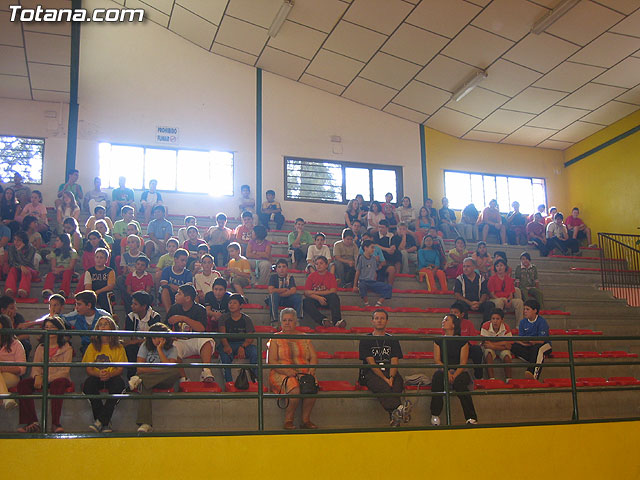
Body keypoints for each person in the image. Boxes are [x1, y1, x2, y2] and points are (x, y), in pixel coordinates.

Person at [16, 316, 73, 433]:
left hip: (59, 378)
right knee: (23, 384)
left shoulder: (67, 348)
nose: (49, 329)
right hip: (41, 377)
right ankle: (32, 422)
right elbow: (36, 366)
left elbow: (65, 371)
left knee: (58, 384)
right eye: (47, 327)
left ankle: (55, 423)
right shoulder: (40, 347)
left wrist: (45, 378)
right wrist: (37, 377)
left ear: (58, 329)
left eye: (52, 327)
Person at [358, 309, 411, 427]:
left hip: (389, 370)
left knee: (397, 384)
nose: (379, 321)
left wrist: (391, 377)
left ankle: (394, 417)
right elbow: (371, 363)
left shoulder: (392, 339)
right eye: (376, 318)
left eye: (382, 318)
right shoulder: (365, 339)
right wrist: (385, 379)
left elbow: (394, 361)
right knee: (383, 385)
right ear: (372, 321)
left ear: (387, 321)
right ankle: (400, 409)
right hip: (371, 372)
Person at [267, 308, 318, 429]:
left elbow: (313, 357)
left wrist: (311, 370)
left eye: (290, 320)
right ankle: (288, 420)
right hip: (281, 372)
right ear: (281, 322)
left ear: (296, 322)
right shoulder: (275, 338)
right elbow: (271, 361)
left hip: (304, 371)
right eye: (284, 320)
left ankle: (306, 420)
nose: (287, 323)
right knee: (294, 388)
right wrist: (286, 371)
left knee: (312, 386)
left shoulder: (304, 337)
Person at [130, 322, 180, 433]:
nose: (155, 340)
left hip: (163, 380)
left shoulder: (172, 349)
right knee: (145, 384)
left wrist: (159, 349)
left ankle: (138, 380)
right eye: (153, 337)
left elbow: (169, 368)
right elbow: (140, 368)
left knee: (175, 372)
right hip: (147, 377)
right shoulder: (145, 346)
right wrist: (160, 371)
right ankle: (145, 423)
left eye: (158, 337)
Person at [430, 314, 478, 426]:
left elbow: (463, 363)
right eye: (443, 320)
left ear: (453, 325)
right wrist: (447, 372)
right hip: (443, 370)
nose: (443, 321)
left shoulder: (462, 341)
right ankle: (435, 414)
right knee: (437, 379)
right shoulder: (438, 340)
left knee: (460, 383)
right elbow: (437, 360)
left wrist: (454, 375)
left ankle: (471, 417)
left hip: (459, 371)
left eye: (446, 320)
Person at [82, 316, 126, 432]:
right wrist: (99, 374)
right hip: (97, 376)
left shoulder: (119, 347)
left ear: (112, 327)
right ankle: (104, 423)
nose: (103, 326)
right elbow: (88, 369)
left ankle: (99, 422)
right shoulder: (92, 346)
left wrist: (109, 375)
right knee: (89, 384)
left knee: (119, 384)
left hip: (112, 376)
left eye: (106, 324)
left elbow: (120, 369)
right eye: (100, 324)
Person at [165, 284, 215, 383]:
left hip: (195, 339)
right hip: (179, 340)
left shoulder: (200, 309)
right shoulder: (174, 308)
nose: (176, 295)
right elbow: (165, 326)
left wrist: (183, 318)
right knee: (172, 347)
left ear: (187, 298)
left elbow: (201, 328)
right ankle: (183, 378)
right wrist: (171, 335)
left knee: (207, 341)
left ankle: (206, 371)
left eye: (179, 294)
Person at [217, 293, 258, 383]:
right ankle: (228, 382)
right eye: (230, 303)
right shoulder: (223, 318)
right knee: (224, 356)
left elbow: (250, 337)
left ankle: (255, 378)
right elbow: (222, 334)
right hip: (228, 343)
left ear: (240, 305)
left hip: (243, 344)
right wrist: (226, 345)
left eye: (234, 303)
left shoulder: (247, 319)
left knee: (255, 352)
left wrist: (242, 346)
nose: (231, 305)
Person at [124, 291, 163, 379]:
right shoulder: (130, 317)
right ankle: (132, 378)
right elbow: (130, 337)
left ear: (144, 306)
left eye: (135, 304)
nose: (132, 306)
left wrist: (138, 341)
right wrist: (137, 342)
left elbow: (156, 337)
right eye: (132, 303)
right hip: (136, 346)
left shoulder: (155, 317)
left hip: (151, 345)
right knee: (130, 349)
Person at [511, 299, 552, 380]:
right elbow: (521, 339)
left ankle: (533, 374)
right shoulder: (522, 322)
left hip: (543, 345)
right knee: (514, 346)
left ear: (535, 310)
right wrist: (527, 342)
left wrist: (530, 342)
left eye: (527, 309)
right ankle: (534, 359)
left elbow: (542, 340)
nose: (525, 311)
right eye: (524, 309)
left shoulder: (542, 322)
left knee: (537, 349)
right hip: (528, 345)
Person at [303, 256, 344, 328]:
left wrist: (314, 292)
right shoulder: (311, 276)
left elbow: (333, 291)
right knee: (305, 302)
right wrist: (318, 298)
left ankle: (337, 321)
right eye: (316, 264)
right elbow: (306, 292)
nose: (318, 265)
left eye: (321, 263)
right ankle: (323, 320)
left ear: (326, 265)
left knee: (334, 297)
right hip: (315, 299)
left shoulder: (331, 276)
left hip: (327, 299)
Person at [454, 257, 494, 328]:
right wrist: (470, 303)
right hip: (465, 303)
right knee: (459, 304)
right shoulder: (459, 279)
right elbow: (457, 295)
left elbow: (484, 293)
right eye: (464, 266)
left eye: (468, 266)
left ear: (474, 267)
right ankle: (465, 327)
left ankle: (485, 327)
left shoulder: (481, 279)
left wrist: (479, 303)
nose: (465, 268)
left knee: (490, 305)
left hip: (478, 303)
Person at [449, 302, 483, 379]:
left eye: (456, 312)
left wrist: (465, 346)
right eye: (451, 312)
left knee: (477, 350)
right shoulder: (448, 324)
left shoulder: (468, 323)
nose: (453, 314)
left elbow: (474, 339)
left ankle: (479, 376)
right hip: (453, 348)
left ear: (462, 314)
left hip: (467, 347)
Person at [353, 240, 393, 307]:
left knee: (388, 287)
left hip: (372, 282)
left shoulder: (374, 259)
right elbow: (358, 271)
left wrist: (379, 263)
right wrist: (355, 285)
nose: (373, 249)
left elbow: (376, 269)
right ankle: (366, 303)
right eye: (372, 247)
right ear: (365, 248)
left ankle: (379, 303)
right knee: (362, 285)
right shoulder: (360, 258)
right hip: (363, 281)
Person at [0, 313, 26, 410]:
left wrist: (3, 367)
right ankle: (5, 397)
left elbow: (22, 369)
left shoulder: (16, 344)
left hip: (11, 376)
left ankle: (4, 396)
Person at [267, 259, 303, 323]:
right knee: (273, 296)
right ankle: (274, 320)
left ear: (287, 268)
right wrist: (283, 290)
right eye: (279, 267)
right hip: (276, 299)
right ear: (276, 269)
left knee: (298, 296)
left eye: (284, 266)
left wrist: (279, 293)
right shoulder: (273, 277)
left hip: (287, 299)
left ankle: (297, 319)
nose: (281, 269)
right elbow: (271, 290)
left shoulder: (290, 277)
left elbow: (293, 290)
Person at [481, 308, 513, 380]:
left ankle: (509, 379)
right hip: (494, 348)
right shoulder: (485, 326)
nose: (495, 321)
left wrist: (493, 345)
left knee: (507, 356)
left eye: (497, 319)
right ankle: (492, 379)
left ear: (502, 320)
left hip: (499, 349)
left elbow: (509, 346)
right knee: (488, 353)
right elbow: (486, 344)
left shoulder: (506, 327)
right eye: (493, 319)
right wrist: (503, 343)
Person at [43, 233, 78, 299]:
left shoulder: (72, 252)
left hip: (67, 271)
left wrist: (60, 269)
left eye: (57, 240)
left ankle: (64, 291)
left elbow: (71, 267)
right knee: (50, 274)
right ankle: (47, 291)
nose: (55, 242)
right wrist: (57, 270)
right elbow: (53, 266)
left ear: (63, 242)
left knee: (67, 272)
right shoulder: (54, 252)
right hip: (57, 271)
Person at [5, 231, 37, 298]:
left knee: (26, 269)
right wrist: (20, 266)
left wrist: (19, 251)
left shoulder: (32, 249)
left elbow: (27, 262)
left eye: (18, 240)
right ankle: (10, 289)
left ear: (24, 241)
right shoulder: (11, 248)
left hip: (30, 270)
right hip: (17, 269)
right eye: (15, 240)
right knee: (13, 269)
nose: (16, 242)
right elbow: (12, 262)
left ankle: (23, 290)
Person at [83, 247, 116, 313]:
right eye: (97, 257)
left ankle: (108, 314)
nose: (99, 260)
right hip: (93, 293)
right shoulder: (89, 271)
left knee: (103, 295)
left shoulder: (110, 271)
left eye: (101, 258)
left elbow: (110, 286)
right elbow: (88, 287)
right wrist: (94, 293)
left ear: (106, 260)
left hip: (106, 293)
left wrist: (98, 292)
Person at [373, 220, 400, 285]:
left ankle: (398, 272)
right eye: (379, 227)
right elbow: (375, 245)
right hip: (380, 252)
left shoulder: (391, 235)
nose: (380, 229)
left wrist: (392, 248)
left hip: (389, 252)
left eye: (382, 227)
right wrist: (386, 249)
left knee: (398, 253)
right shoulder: (375, 235)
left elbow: (393, 244)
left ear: (387, 228)